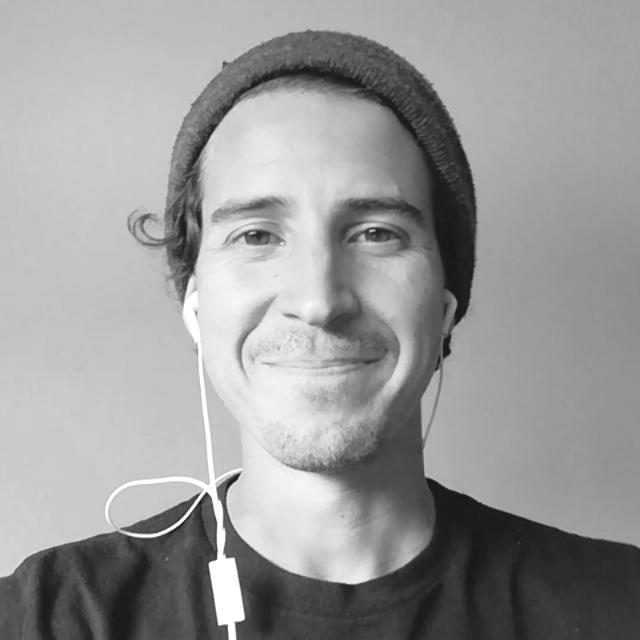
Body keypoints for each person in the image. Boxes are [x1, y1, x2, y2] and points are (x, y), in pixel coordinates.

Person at [1, 29, 638, 639]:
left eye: (376, 233)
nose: (318, 300)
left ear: (445, 306)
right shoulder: (45, 620)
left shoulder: (619, 606)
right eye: (256, 235)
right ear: (195, 305)